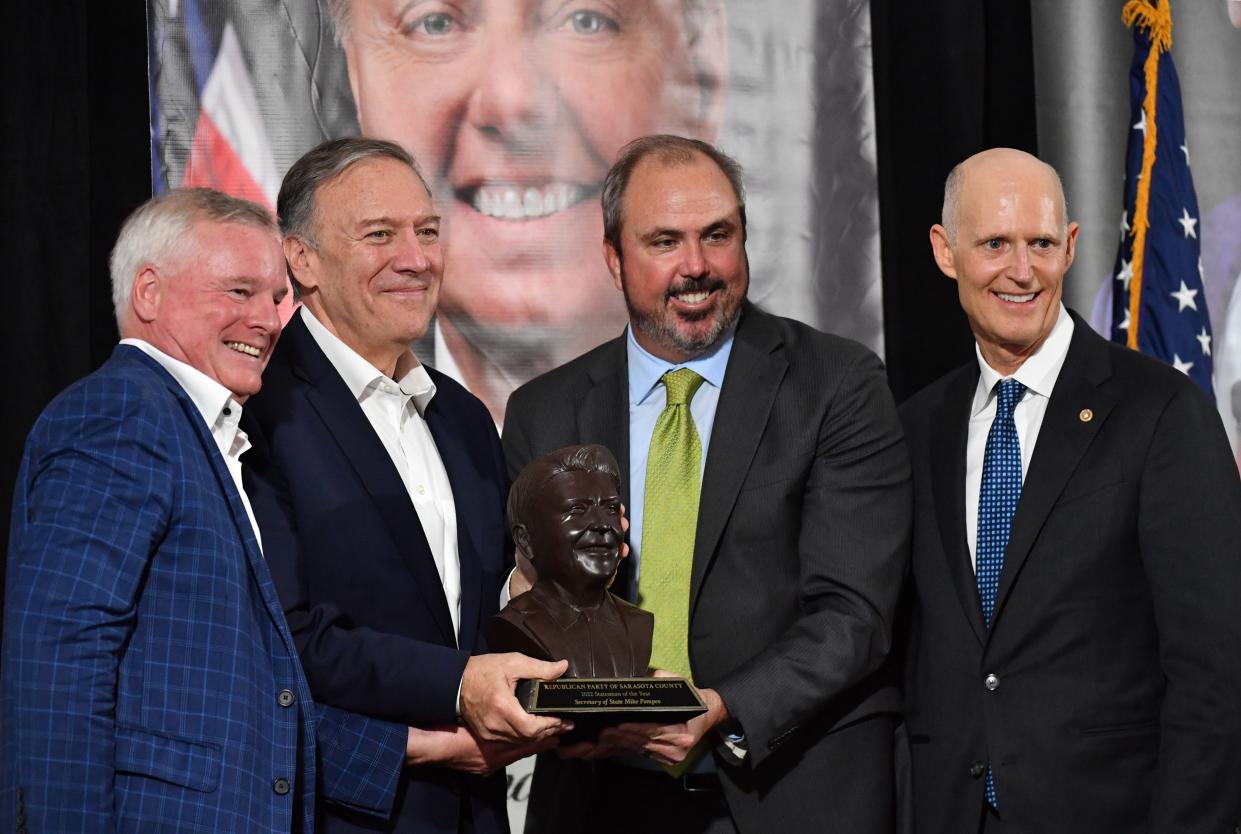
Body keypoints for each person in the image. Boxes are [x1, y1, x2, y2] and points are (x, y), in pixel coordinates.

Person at [503, 135, 912, 834]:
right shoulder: (545, 411)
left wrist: (722, 706)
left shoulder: (837, 384)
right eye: (664, 241)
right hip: (601, 799)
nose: (696, 267)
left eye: (716, 236)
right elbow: (531, 599)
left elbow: (853, 613)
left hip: (786, 787)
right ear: (613, 258)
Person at [1, 189, 408, 832]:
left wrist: (422, 748)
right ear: (149, 294)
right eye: (239, 292)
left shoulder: (211, 440)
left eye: (276, 298)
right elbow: (59, 664)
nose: (270, 320)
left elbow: (239, 697)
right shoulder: (120, 416)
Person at [900, 147, 1241, 834]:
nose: (1020, 271)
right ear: (945, 251)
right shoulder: (913, 426)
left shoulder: (1160, 413)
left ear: (1071, 247)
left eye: (1041, 244)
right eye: (994, 243)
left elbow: (1214, 672)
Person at [243, 136, 571, 834]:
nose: (415, 259)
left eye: (426, 231)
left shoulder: (463, 418)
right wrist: (458, 687)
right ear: (302, 259)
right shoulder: (259, 411)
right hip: (344, 809)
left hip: (476, 809)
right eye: (379, 235)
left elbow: (484, 609)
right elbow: (284, 638)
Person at [326, 0, 727, 422]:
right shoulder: (285, 440)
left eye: (586, 20)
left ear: (699, 74)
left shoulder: (798, 408)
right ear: (355, 80)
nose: (512, 99)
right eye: (435, 23)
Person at [491, 444, 653, 679]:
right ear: (525, 540)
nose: (602, 524)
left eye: (609, 508)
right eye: (577, 510)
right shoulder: (515, 624)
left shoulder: (638, 624)